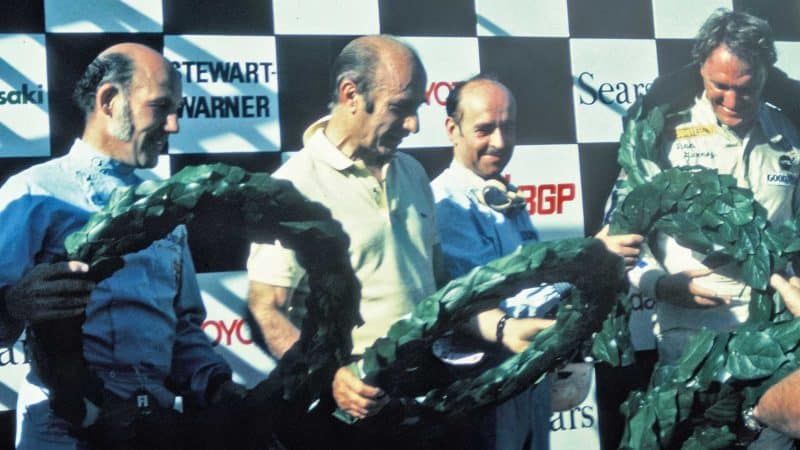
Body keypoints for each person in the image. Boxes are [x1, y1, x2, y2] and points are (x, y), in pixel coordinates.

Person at [246, 36, 557, 448]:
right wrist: (329, 377)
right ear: (350, 94)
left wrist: (505, 329)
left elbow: (444, 297)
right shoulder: (293, 186)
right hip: (344, 418)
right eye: (400, 108)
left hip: (425, 406)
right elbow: (266, 307)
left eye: (416, 110)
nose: (412, 125)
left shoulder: (412, 175)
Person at [0, 43, 242, 449]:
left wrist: (216, 385)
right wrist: (13, 305)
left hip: (154, 430)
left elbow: (181, 328)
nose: (173, 126)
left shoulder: (165, 201)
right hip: (61, 430)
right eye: (161, 107)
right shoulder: (33, 192)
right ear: (109, 100)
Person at [606, 9, 800, 449]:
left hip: (773, 345)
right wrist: (659, 283)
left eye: (746, 89)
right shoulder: (662, 137)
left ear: (767, 73)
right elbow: (622, 235)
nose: (733, 101)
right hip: (689, 343)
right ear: (701, 73)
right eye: (721, 88)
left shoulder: (789, 136)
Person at [432, 75, 644, 450]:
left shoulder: (502, 192)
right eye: (484, 129)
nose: (499, 142)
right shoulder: (447, 204)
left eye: (507, 127)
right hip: (483, 386)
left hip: (526, 378)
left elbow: (534, 285)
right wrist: (590, 258)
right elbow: (496, 303)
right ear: (453, 129)